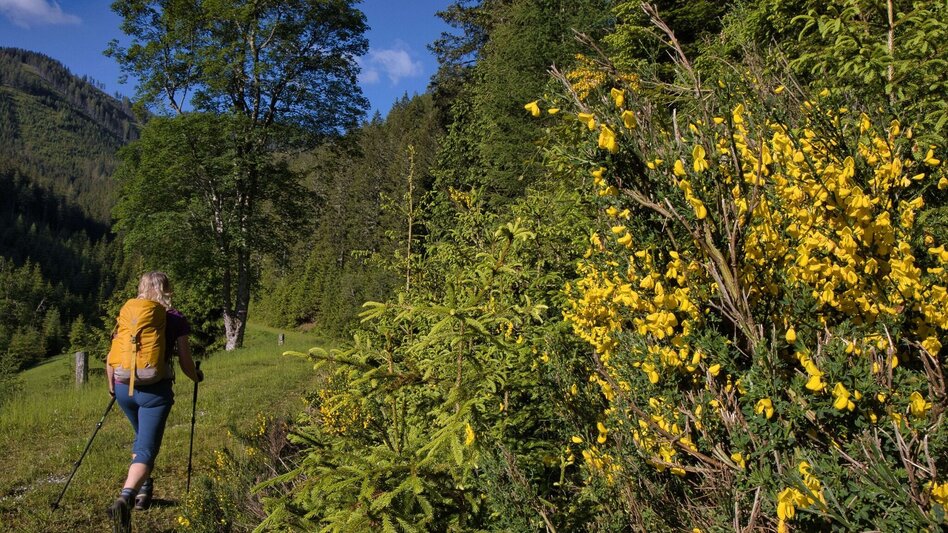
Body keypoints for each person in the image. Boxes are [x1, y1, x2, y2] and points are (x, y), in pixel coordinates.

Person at [106, 272, 203, 531]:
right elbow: (184, 362)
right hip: (154, 391)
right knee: (147, 448)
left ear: (141, 288)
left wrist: (112, 387)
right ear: (167, 290)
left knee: (141, 438)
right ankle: (126, 497)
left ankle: (144, 491)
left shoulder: (129, 314)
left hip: (123, 386)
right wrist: (197, 376)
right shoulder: (175, 319)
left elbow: (112, 356)